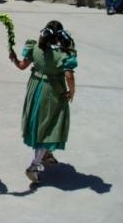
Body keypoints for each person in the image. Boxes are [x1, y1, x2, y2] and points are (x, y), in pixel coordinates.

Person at [9, 20, 77, 184]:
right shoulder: (63, 53)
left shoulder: (35, 48)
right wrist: (71, 91)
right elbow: (69, 75)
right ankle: (34, 166)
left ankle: (46, 155)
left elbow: (21, 66)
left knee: (39, 122)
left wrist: (13, 58)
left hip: (35, 87)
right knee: (50, 126)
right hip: (53, 91)